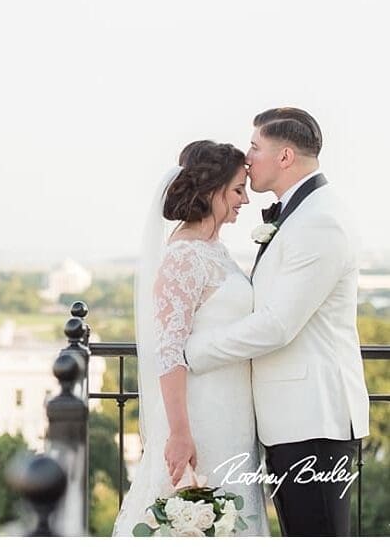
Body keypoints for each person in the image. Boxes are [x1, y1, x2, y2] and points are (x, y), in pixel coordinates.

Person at [184, 108, 370, 536]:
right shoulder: (300, 213)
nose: (247, 159)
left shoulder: (318, 221)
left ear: (285, 156)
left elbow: (276, 325)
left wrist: (192, 352)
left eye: (254, 147)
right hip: (294, 418)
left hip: (313, 421)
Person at [112, 140, 269, 537]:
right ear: (210, 190)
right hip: (201, 416)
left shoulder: (214, 250)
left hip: (233, 411)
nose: (245, 199)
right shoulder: (183, 256)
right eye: (237, 189)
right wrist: (180, 432)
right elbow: (167, 351)